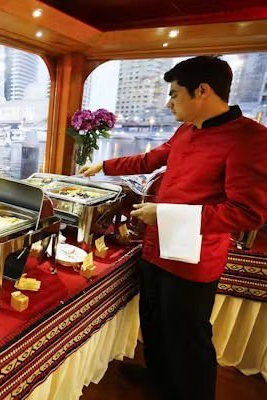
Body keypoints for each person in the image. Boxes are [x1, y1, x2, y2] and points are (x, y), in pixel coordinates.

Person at [80, 56, 267, 400]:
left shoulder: (250, 138)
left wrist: (166, 215)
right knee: (154, 322)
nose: (169, 103)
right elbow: (150, 159)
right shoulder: (187, 129)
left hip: (193, 260)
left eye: (174, 94)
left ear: (202, 91)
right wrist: (103, 165)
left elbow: (247, 213)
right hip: (156, 247)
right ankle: (161, 381)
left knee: (188, 337)